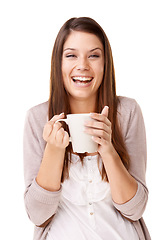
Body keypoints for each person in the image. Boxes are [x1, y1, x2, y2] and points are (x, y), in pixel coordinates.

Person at [23, 17, 151, 240]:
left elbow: (135, 209)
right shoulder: (37, 119)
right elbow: (37, 215)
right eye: (71, 55)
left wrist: (108, 150)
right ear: (58, 63)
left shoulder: (127, 112)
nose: (83, 65)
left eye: (93, 55)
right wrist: (54, 151)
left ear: (105, 64)